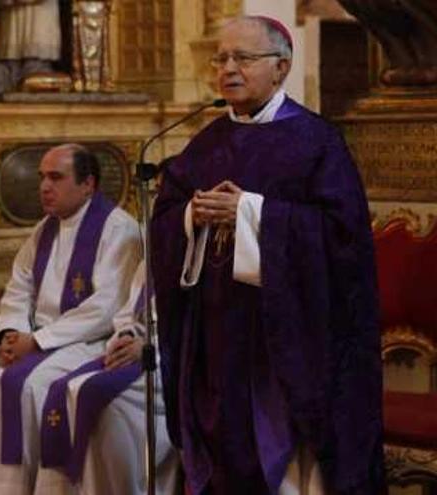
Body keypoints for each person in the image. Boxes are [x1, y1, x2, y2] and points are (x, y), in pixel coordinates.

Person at [151, 16, 383, 494]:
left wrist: (251, 211)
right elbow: (166, 218)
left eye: (243, 58)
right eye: (221, 58)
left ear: (280, 67)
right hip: (216, 334)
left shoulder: (317, 142)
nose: (228, 69)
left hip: (285, 337)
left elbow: (343, 237)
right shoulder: (205, 143)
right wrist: (192, 216)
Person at [0, 143, 141, 494]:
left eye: (56, 177)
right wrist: (11, 333)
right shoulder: (45, 229)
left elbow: (106, 306)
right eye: (42, 177)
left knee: (30, 385)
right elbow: (19, 287)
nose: (45, 186)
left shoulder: (118, 229)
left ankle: (25, 487)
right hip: (36, 336)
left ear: (88, 184)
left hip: (85, 341)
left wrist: (40, 341)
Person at [36, 261, 180, 494]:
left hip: (175, 360)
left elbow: (192, 323)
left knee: (103, 400)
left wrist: (150, 346)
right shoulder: (154, 253)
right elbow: (129, 313)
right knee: (70, 389)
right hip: (143, 348)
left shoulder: (192, 248)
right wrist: (126, 334)